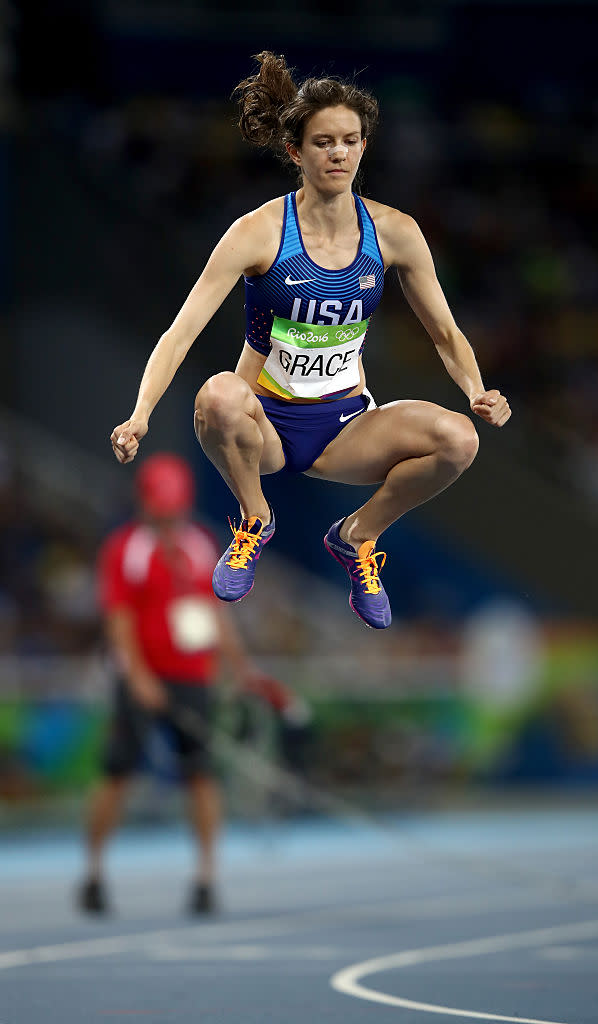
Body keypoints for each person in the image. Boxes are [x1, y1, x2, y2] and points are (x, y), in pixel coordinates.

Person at [110, 52, 511, 631]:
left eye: (351, 140)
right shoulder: (258, 233)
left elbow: (446, 332)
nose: (339, 153)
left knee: (458, 440)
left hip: (347, 427)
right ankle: (254, 518)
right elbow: (180, 332)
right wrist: (140, 413)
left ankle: (357, 537)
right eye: (324, 142)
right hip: (265, 425)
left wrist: (477, 389)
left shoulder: (395, 232)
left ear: (364, 147)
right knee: (218, 396)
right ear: (297, 151)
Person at [79, 452, 273, 916]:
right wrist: (140, 677)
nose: (169, 521)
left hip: (191, 678)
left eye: (176, 511)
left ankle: (206, 878)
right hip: (141, 677)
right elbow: (119, 620)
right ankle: (94, 872)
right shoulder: (125, 549)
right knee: (118, 773)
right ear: (144, 504)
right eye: (160, 512)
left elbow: (216, 613)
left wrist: (239, 666)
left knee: (201, 777)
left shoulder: (202, 545)